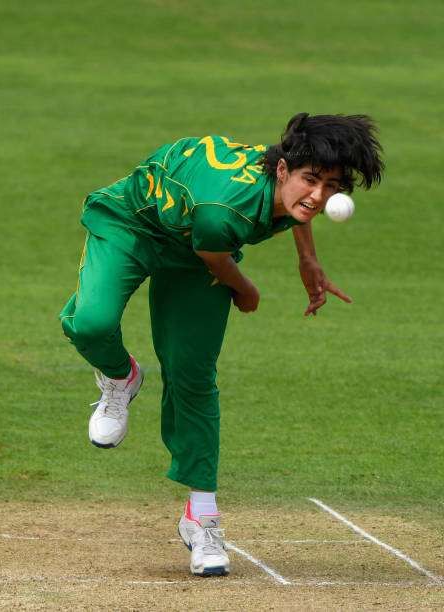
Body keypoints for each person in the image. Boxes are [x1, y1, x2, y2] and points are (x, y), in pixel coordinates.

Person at [59, 112, 383, 577]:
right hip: (134, 224)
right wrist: (246, 289)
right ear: (283, 170)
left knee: (192, 375)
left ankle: (202, 517)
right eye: (312, 180)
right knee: (90, 324)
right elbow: (214, 254)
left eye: (332, 186)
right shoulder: (224, 211)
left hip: (196, 245)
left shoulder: (285, 180)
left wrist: (308, 260)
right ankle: (119, 377)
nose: (319, 196)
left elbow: (298, 208)